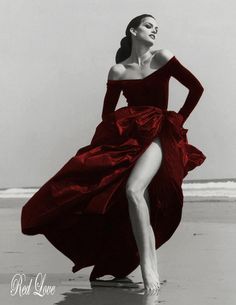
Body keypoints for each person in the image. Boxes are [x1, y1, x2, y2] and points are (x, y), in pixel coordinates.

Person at [21, 14, 206, 293]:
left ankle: (149, 269)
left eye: (157, 28)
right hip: (130, 140)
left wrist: (177, 120)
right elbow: (107, 114)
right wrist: (120, 131)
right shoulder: (118, 71)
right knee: (129, 195)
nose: (154, 30)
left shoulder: (163, 57)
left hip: (158, 135)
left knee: (133, 190)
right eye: (148, 26)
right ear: (133, 30)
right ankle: (137, 261)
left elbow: (196, 88)